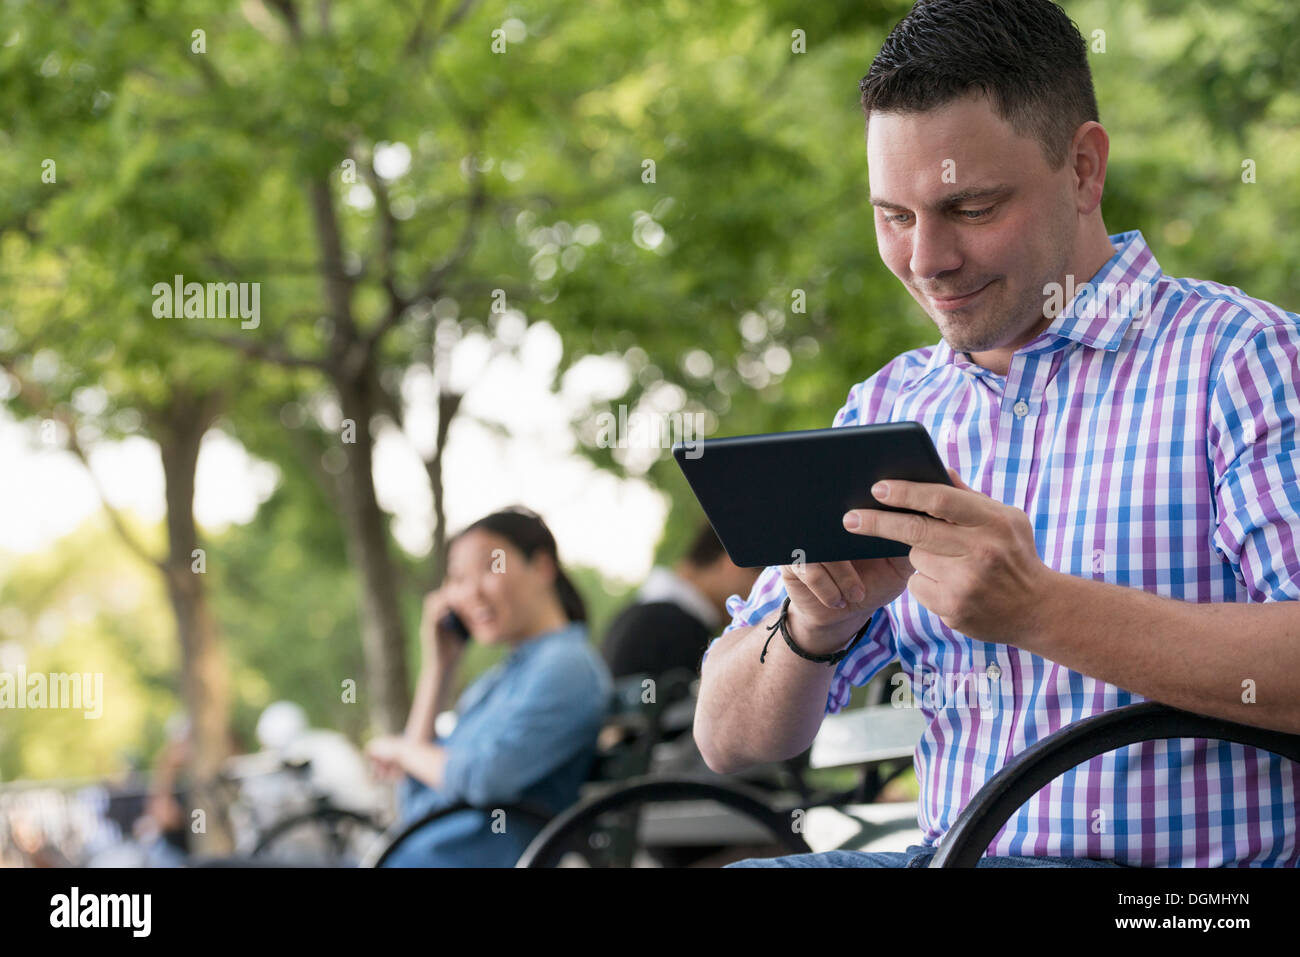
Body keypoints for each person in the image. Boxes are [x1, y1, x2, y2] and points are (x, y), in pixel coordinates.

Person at [697, 0, 1300, 867]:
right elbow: (727, 738)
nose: (926, 258)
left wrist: (1042, 609)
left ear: (1084, 169)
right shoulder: (889, 405)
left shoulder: (1242, 359)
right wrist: (812, 628)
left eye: (970, 207)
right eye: (894, 216)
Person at [366, 506, 612, 867]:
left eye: (489, 567)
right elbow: (416, 798)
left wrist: (403, 751)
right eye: (458, 579)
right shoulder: (497, 681)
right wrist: (439, 668)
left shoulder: (566, 667)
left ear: (542, 567)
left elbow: (484, 777)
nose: (470, 593)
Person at [601, 521, 760, 680]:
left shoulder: (637, 615)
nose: (761, 591)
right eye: (760, 576)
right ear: (733, 563)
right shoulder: (681, 630)